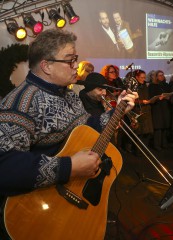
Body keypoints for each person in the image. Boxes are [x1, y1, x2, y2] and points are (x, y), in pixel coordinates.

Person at [0, 29, 137, 239]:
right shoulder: (21, 103)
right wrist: (70, 166)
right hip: (40, 210)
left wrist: (117, 112)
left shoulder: (69, 94)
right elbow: (5, 166)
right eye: (70, 60)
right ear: (46, 66)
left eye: (76, 59)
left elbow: (86, 129)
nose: (76, 66)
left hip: (69, 199)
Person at [149, 70, 172, 151]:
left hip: (165, 107)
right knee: (158, 127)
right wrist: (159, 98)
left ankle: (164, 143)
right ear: (156, 77)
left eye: (162, 75)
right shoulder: (152, 86)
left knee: (165, 126)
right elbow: (151, 97)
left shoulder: (166, 85)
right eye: (159, 75)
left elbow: (170, 94)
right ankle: (157, 145)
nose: (161, 76)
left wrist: (168, 97)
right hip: (157, 108)